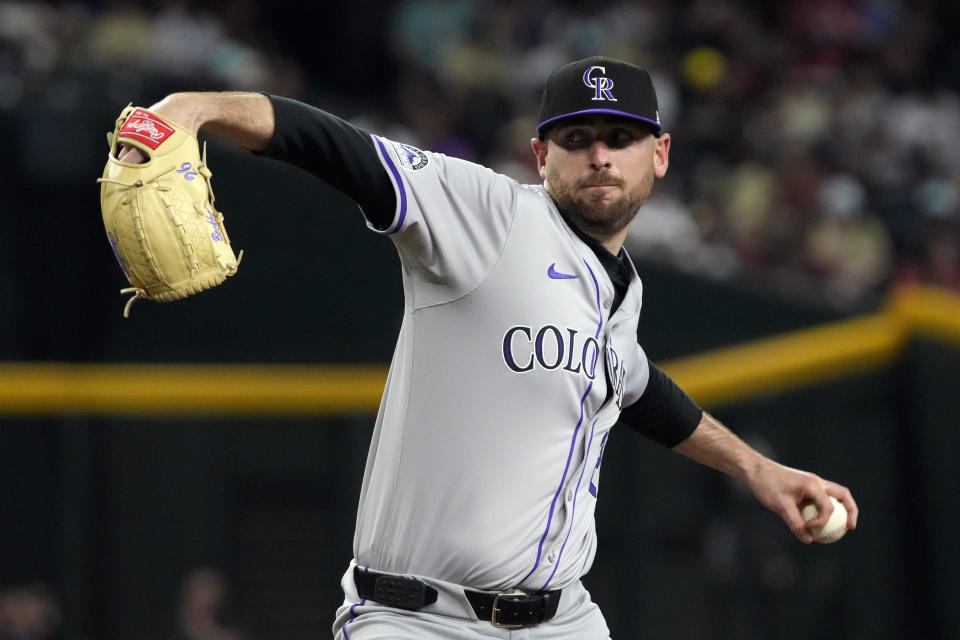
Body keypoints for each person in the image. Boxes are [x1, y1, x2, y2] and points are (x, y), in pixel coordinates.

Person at [115, 56, 858, 639]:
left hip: (564, 621)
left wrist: (759, 470)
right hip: (415, 621)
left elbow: (636, 388)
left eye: (620, 138)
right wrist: (196, 109)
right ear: (541, 155)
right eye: (576, 139)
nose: (599, 155)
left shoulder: (623, 288)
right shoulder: (487, 214)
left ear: (659, 154)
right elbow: (336, 148)